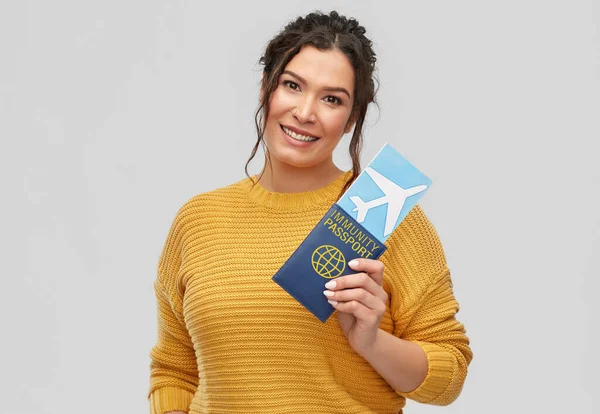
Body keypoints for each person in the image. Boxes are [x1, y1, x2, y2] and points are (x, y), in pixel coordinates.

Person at [147, 10, 472, 414]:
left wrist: (371, 340)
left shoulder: (386, 215)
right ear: (267, 88)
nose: (305, 111)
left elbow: (450, 376)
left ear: (352, 118)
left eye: (332, 98)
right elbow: (174, 370)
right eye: (292, 86)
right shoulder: (198, 220)